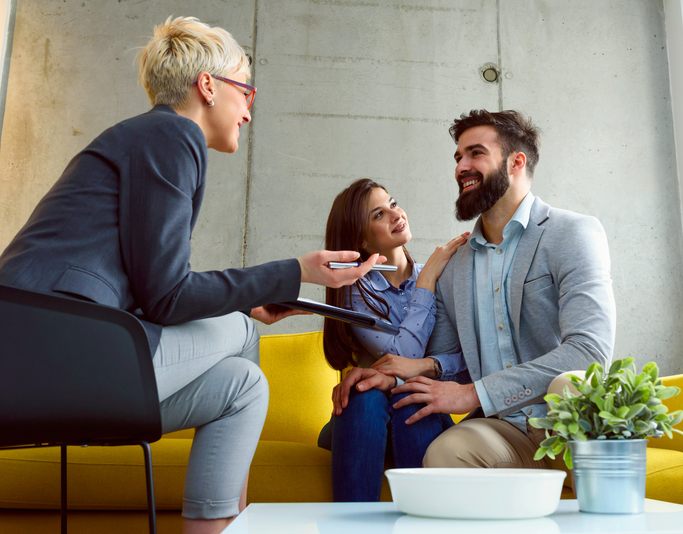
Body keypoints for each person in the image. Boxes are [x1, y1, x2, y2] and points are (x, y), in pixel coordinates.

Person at [0, 17, 380, 534]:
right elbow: (167, 297)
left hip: (51, 351)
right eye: (246, 90)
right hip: (52, 352)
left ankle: (217, 528)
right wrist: (294, 273)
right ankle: (238, 523)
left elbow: (153, 287)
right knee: (243, 334)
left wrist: (250, 297)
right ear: (208, 86)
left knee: (243, 384)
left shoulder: (144, 138)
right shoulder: (171, 133)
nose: (248, 109)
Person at [335, 109, 616, 471]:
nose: (461, 166)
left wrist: (473, 394)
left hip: (568, 421)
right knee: (443, 453)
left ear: (516, 163)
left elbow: (589, 352)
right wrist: (390, 372)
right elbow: (448, 365)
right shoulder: (454, 268)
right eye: (458, 157)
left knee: (572, 384)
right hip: (503, 430)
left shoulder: (572, 233)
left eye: (476, 153)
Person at [319, 178, 470, 501]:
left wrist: (428, 367)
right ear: (361, 240)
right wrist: (426, 281)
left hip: (416, 409)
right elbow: (404, 354)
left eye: (392, 203)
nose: (395, 213)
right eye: (378, 215)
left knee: (410, 397)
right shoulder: (356, 291)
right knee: (365, 395)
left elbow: (469, 358)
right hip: (366, 418)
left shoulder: (443, 276)